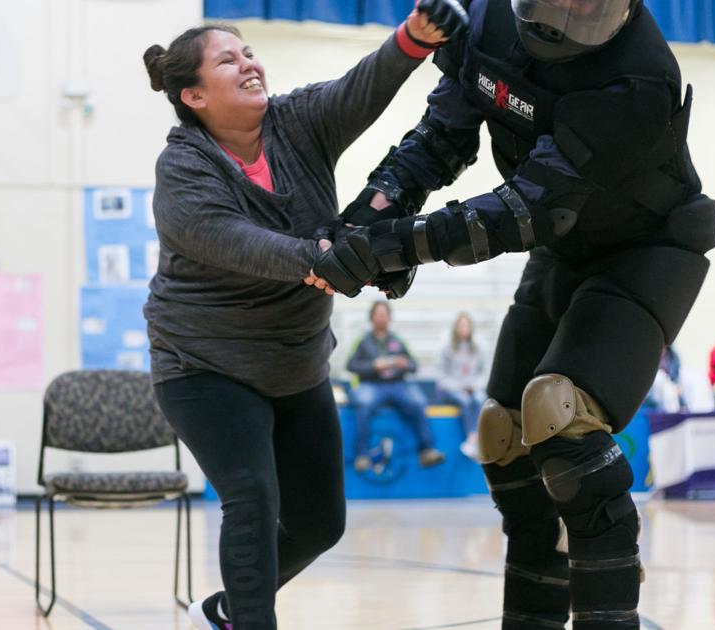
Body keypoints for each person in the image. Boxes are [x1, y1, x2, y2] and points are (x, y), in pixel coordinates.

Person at [313, 1, 715, 626]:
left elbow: (527, 211)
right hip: (567, 245)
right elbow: (441, 136)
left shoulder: (639, 77)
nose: (568, 15)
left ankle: (610, 611)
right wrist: (371, 214)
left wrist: (396, 245)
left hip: (647, 249)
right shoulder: (486, 19)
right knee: (503, 437)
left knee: (564, 418)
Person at [139, 6, 466, 628]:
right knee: (251, 498)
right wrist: (318, 260)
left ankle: (227, 610)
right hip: (204, 365)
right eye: (228, 60)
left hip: (297, 363)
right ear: (194, 95)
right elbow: (231, 239)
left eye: (249, 52)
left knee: (319, 525)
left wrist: (413, 39)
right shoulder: (182, 167)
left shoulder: (296, 120)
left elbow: (357, 90)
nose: (249, 64)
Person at [347, 301, 447, 471]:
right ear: (371, 317)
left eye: (385, 314)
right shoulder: (362, 341)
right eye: (378, 314)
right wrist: (373, 365)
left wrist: (404, 364)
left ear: (390, 317)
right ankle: (362, 455)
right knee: (363, 403)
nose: (382, 317)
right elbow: (351, 366)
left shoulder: (398, 341)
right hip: (371, 384)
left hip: (398, 385)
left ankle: (426, 451)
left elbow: (414, 366)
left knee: (418, 401)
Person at [435, 312, 489, 459]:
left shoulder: (478, 348)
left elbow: (483, 373)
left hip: (472, 388)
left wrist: (474, 386)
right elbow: (442, 376)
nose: (463, 328)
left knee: (479, 399)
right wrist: (459, 387)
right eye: (461, 325)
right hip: (452, 389)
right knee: (464, 400)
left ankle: (478, 438)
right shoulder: (447, 348)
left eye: (466, 325)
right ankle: (472, 437)